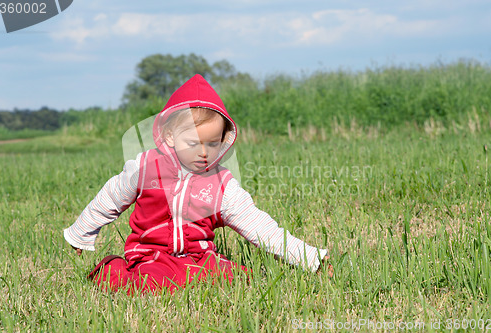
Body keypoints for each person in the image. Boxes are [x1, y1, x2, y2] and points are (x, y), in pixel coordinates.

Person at [64, 74, 331, 294]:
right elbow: (110, 198)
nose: (203, 152)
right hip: (151, 256)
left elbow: (260, 226)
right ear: (169, 135)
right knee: (150, 282)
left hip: (199, 257)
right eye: (193, 143)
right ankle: (112, 269)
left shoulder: (221, 184)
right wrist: (82, 232)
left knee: (238, 279)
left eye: (213, 144)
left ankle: (197, 278)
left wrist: (310, 258)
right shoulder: (145, 168)